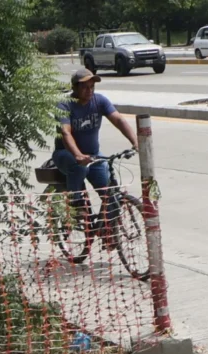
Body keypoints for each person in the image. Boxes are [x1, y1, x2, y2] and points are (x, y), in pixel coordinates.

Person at [53, 69, 138, 244]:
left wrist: (136, 142)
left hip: (93, 156)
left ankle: (107, 232)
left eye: (92, 87)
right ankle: (76, 206)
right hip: (66, 155)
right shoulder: (65, 104)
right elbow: (66, 133)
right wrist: (77, 155)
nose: (89, 90)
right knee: (78, 166)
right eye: (85, 87)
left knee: (110, 193)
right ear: (75, 88)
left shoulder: (100, 101)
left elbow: (119, 120)